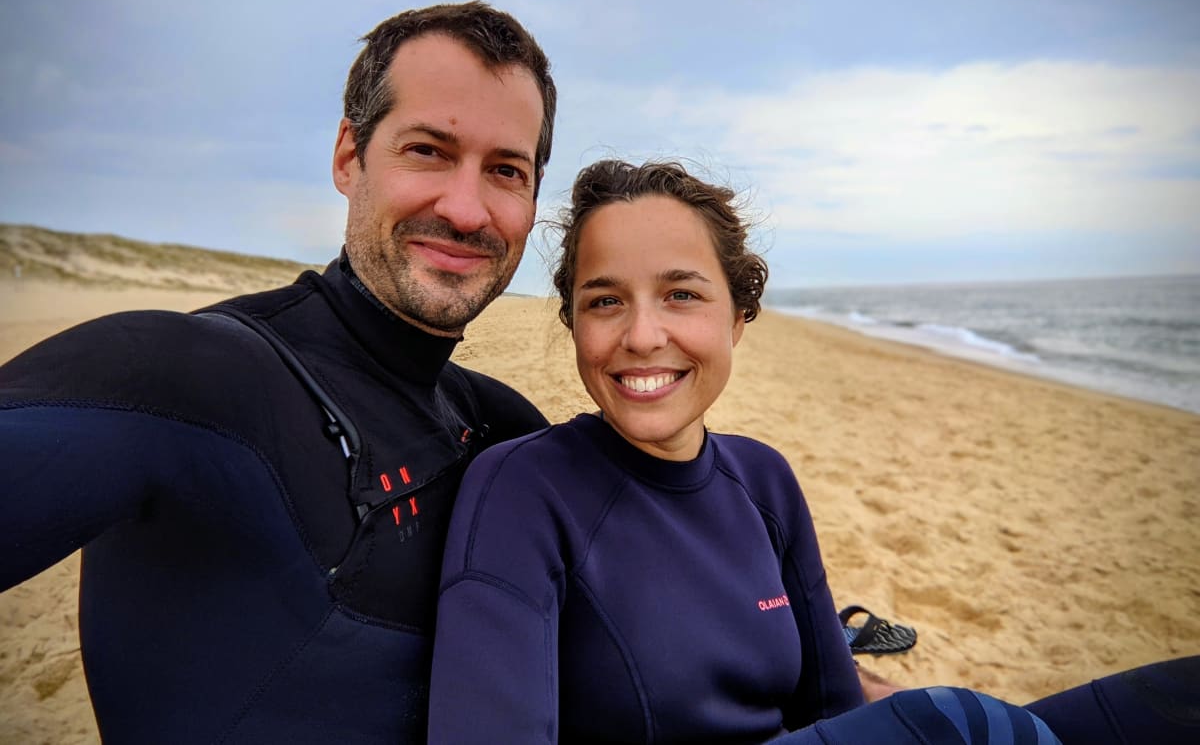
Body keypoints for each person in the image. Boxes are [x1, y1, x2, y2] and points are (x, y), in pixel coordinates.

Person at [427, 159, 1198, 744]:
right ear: (573, 324)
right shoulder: (522, 490)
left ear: (738, 317)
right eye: (605, 301)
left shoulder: (763, 479)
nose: (641, 335)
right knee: (948, 719)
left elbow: (829, 709)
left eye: (682, 293)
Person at [0, 0, 557, 743]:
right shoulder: (192, 377)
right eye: (427, 150)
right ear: (348, 156)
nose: (465, 208)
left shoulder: (505, 430)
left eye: (505, 170)